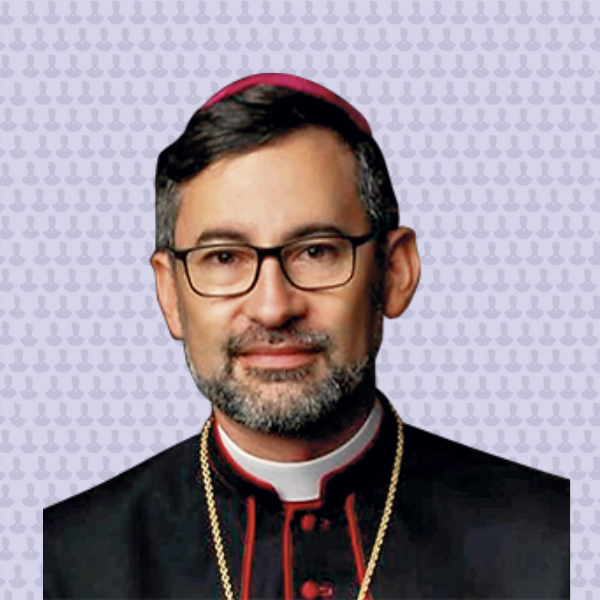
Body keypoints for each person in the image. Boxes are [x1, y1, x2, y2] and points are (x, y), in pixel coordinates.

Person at [43, 74, 569, 600]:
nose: (273, 308)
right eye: (223, 257)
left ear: (395, 271)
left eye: (316, 251)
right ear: (169, 293)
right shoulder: (63, 562)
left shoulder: (556, 542)